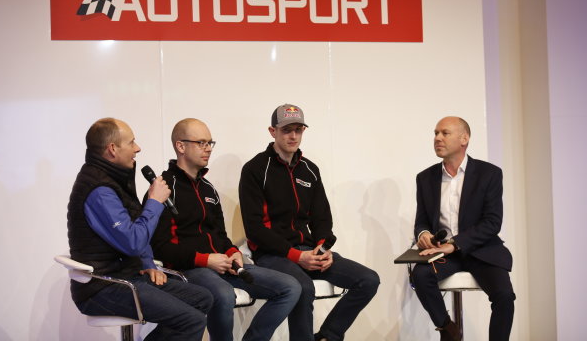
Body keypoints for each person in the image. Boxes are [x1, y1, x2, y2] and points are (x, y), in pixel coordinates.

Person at [150, 118, 301, 341]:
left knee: (290, 287)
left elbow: (219, 235)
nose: (208, 149)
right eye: (201, 143)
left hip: (221, 266)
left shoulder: (208, 188)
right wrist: (205, 260)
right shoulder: (163, 188)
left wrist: (232, 252)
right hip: (189, 269)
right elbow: (160, 248)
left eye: (210, 143)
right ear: (180, 146)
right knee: (222, 294)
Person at [239, 104, 380, 341]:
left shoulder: (309, 170)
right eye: (286, 130)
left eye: (298, 129)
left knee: (368, 280)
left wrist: (323, 249)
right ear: (272, 131)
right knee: (304, 287)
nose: (293, 136)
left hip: (309, 252)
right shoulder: (255, 169)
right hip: (272, 255)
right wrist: (295, 255)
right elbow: (254, 229)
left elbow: (322, 218)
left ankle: (327, 336)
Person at [66, 118, 213, 341]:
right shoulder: (99, 189)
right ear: (112, 149)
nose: (138, 148)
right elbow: (132, 241)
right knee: (190, 320)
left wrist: (147, 264)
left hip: (127, 275)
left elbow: (133, 224)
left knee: (203, 298)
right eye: (131, 142)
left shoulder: (115, 177)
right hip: (102, 286)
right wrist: (154, 202)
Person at [412, 116, 515, 341]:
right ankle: (448, 329)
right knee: (420, 275)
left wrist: (455, 244)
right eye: (435, 133)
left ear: (464, 138)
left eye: (445, 133)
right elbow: (421, 220)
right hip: (442, 253)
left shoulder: (490, 174)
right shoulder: (425, 178)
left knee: (505, 296)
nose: (437, 138)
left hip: (480, 249)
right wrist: (423, 234)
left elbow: (492, 222)